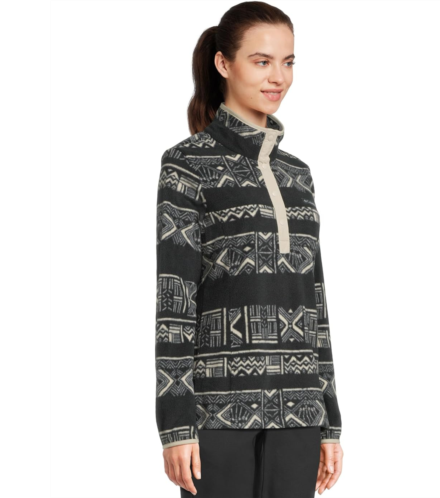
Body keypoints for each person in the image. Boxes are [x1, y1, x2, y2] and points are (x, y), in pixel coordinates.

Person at [155, 2, 344, 496]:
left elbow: (315, 302)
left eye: (288, 62)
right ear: (224, 63)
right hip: (217, 416)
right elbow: (175, 300)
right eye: (262, 61)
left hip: (300, 415)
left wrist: (329, 420)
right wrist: (176, 424)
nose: (278, 77)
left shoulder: (297, 175)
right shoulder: (186, 165)